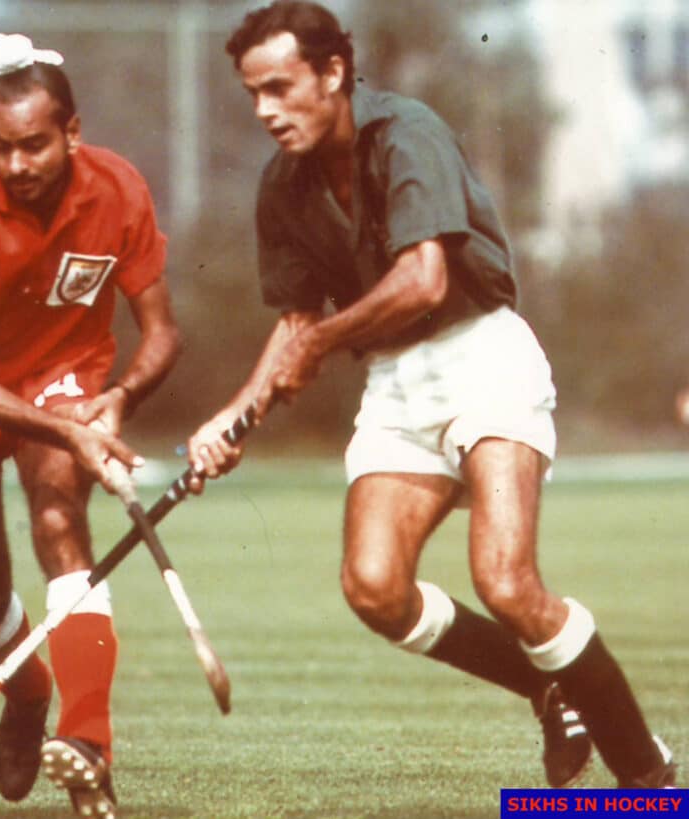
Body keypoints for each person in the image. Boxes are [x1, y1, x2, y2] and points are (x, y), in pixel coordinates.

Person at [188, 0, 676, 790]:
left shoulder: (406, 132)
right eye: (253, 95)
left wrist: (318, 342)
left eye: (280, 88)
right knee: (375, 588)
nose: (265, 111)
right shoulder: (282, 184)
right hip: (394, 382)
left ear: (334, 73)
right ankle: (550, 686)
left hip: (482, 356)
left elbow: (423, 280)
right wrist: (233, 415)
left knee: (508, 583)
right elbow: (297, 321)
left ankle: (648, 778)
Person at [0, 33, 182, 819]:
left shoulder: (118, 190)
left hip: (62, 371)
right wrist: (69, 430)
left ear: (73, 133)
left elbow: (161, 333)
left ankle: (88, 743)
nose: (16, 165)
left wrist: (114, 402)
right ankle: (28, 694)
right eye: (0, 147)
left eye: (35, 145)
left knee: (58, 514)